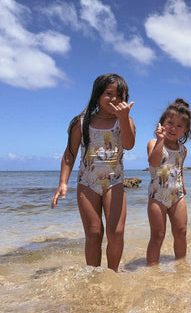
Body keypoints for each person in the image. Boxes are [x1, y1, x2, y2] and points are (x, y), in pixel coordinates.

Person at [51, 73, 136, 272]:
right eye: (109, 93)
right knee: (93, 233)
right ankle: (93, 276)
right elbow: (70, 154)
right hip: (87, 182)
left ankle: (112, 274)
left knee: (116, 233)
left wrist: (123, 118)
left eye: (120, 96)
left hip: (114, 182)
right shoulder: (81, 122)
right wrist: (63, 182)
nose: (114, 99)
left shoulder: (125, 121)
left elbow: (130, 145)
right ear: (97, 94)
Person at [146, 98, 191, 265]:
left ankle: (181, 266)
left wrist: (183, 187)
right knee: (158, 234)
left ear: (185, 130)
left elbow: (179, 169)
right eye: (170, 123)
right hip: (157, 196)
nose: (173, 128)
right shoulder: (154, 143)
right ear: (161, 124)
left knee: (181, 231)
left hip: (177, 195)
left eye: (179, 125)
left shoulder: (183, 149)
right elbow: (153, 162)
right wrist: (160, 140)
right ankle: (152, 269)